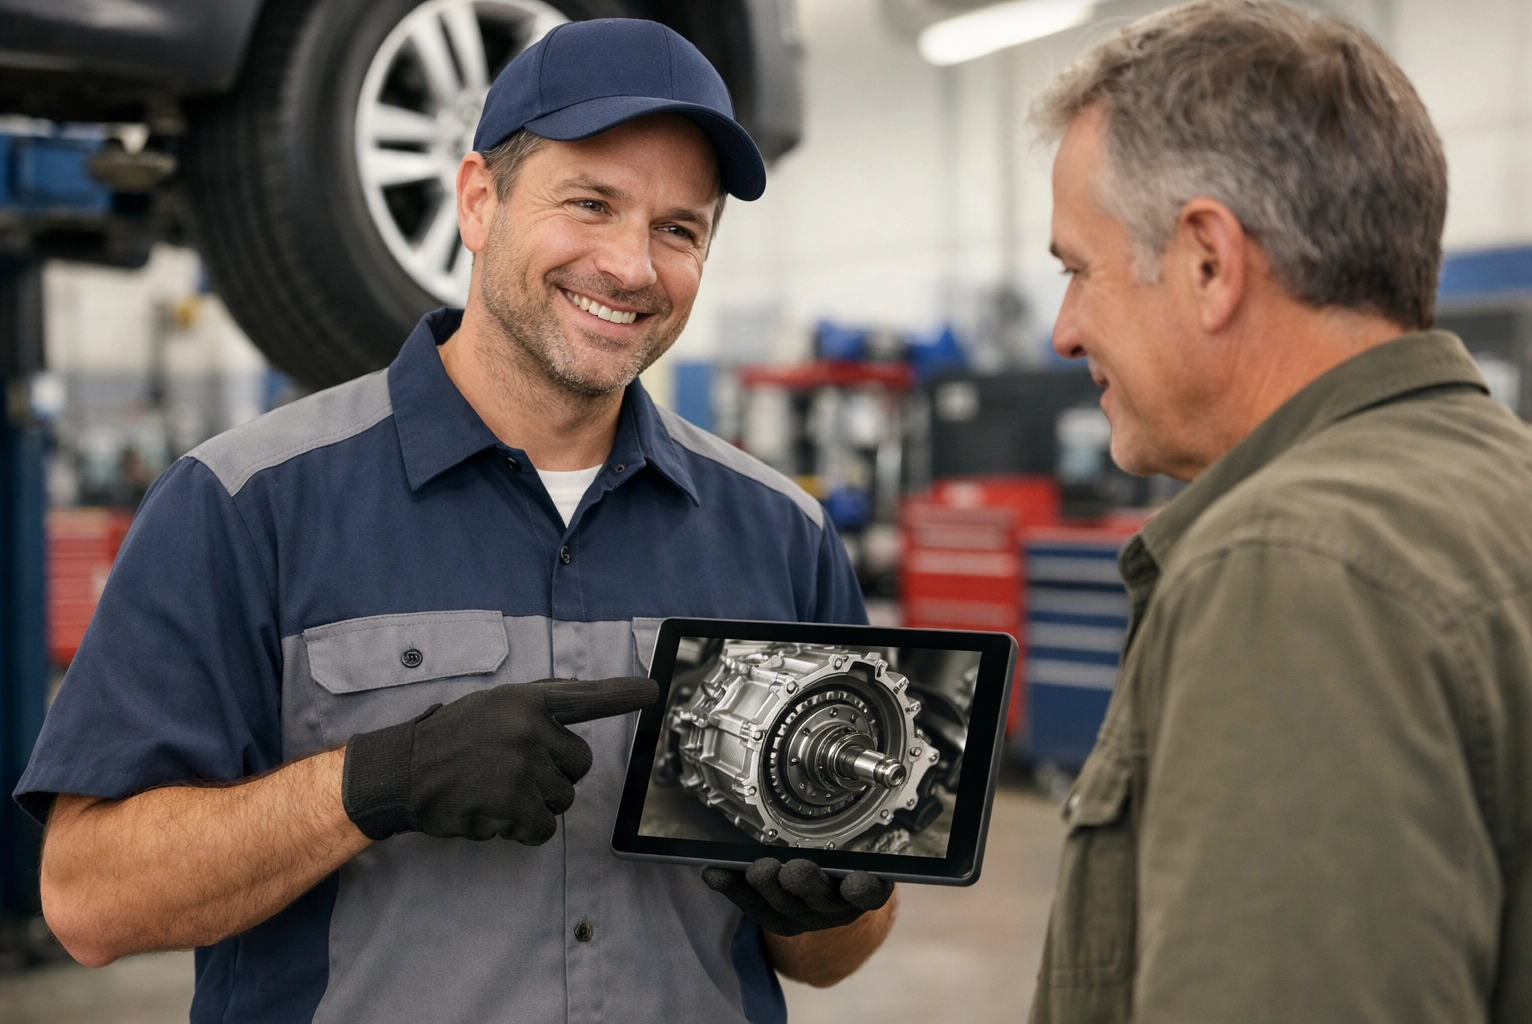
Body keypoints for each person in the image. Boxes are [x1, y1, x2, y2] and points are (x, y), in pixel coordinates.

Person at [16, 20, 894, 1024]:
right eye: (590, 203)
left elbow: (835, 953)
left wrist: (821, 906)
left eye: (679, 228)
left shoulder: (782, 534)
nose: (632, 265)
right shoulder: (243, 505)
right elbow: (87, 897)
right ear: (479, 200)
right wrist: (375, 781)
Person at [1028, 2, 1532, 1021]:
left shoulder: (1294, 568)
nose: (1063, 332)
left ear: (1209, 262)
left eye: (1080, 270)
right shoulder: (1503, 495)